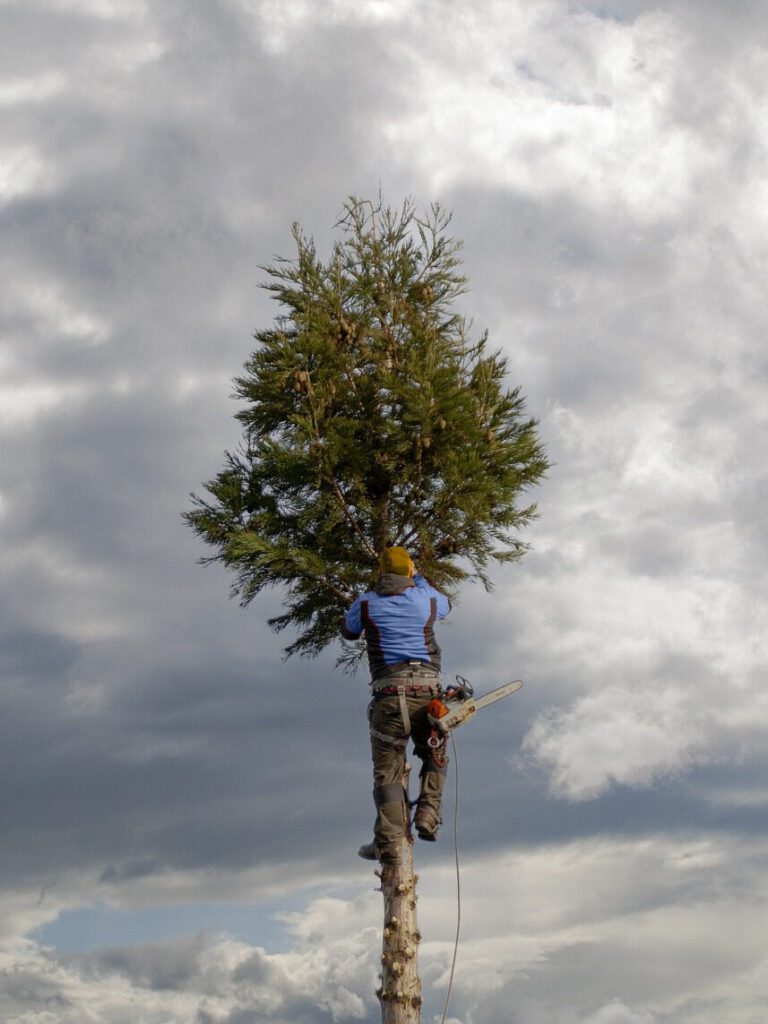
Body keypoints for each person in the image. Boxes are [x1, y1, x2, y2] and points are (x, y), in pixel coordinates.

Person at [342, 546, 452, 864]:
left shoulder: (366, 604)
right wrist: (417, 576)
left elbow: (349, 632)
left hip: (389, 695)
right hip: (428, 693)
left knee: (388, 772)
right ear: (408, 572)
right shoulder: (426, 598)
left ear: (381, 572)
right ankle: (428, 813)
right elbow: (447, 604)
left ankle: (389, 842)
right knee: (435, 751)